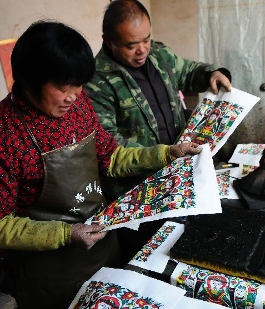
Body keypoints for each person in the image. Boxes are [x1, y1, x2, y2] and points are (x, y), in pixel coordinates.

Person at [0, 20, 199, 309]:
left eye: (79, 85)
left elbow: (112, 159)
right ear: (30, 80)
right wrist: (66, 234)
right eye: (63, 86)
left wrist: (167, 152)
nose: (74, 96)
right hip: (51, 277)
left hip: (105, 253)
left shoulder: (78, 106)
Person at [85, 0, 233, 259]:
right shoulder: (97, 81)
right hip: (140, 194)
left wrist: (211, 73)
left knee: (186, 250)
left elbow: (188, 72)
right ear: (108, 41)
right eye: (131, 45)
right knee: (148, 257)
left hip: (179, 176)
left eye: (146, 39)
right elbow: (110, 148)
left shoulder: (159, 56)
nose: (142, 50)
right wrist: (165, 154)